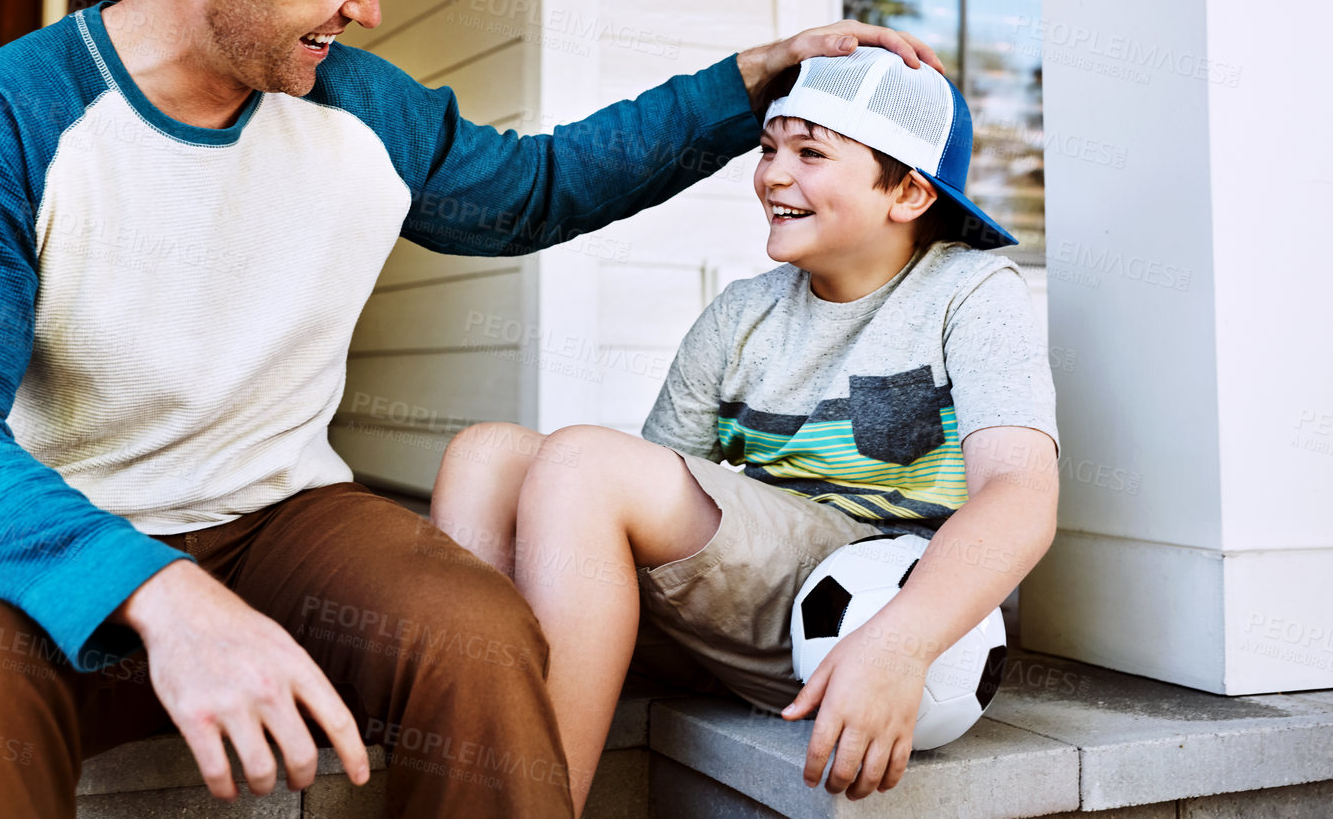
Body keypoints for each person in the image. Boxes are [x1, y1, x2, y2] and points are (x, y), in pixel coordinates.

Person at [0, 0, 939, 819]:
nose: (368, 8)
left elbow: (541, 185)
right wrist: (157, 591)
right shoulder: (2, 117)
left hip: (278, 519)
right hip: (59, 535)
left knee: (474, 630)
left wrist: (747, 83)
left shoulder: (360, 106)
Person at [432, 47, 1060, 814]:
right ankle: (475, 744)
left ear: (909, 192)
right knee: (488, 455)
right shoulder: (742, 314)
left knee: (580, 462)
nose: (773, 175)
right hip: (734, 609)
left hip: (863, 615)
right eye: (767, 149)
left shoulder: (968, 290)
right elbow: (654, 487)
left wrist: (903, 644)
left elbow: (1021, 491)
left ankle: (530, 805)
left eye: (811, 153)